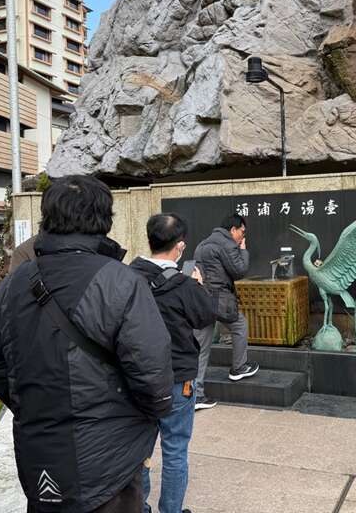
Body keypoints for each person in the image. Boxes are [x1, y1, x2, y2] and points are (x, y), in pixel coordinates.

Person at [0, 175, 174, 512]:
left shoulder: (11, 286)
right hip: (109, 459)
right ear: (104, 220)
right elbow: (154, 378)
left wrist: (34, 405)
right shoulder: (121, 281)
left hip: (38, 448)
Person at [129, 213, 216, 513]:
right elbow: (206, 317)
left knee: (139, 450)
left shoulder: (127, 277)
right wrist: (199, 285)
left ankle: (139, 507)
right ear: (179, 247)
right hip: (178, 379)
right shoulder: (185, 285)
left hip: (136, 379)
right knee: (175, 450)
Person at [192, 214, 258, 410]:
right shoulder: (227, 244)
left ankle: (196, 395)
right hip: (219, 299)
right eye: (242, 233)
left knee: (201, 347)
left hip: (201, 299)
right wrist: (243, 250)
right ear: (233, 230)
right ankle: (238, 368)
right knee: (239, 324)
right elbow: (239, 270)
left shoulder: (203, 243)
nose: (242, 237)